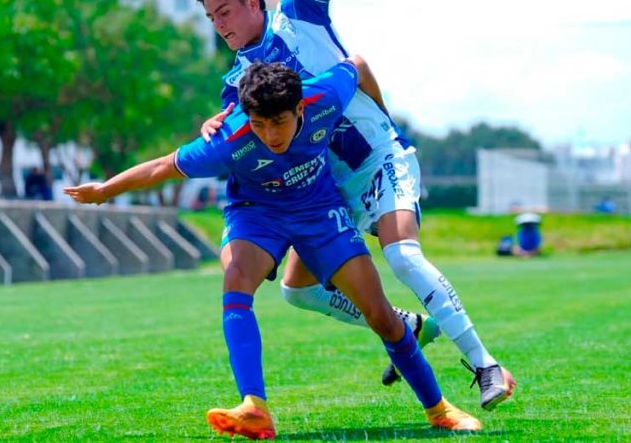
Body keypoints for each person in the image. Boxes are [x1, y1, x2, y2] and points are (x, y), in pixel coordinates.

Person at [191, 0, 515, 410]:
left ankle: (487, 364)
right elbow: (235, 131)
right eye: (211, 18)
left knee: (402, 254)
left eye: (224, 12)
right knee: (296, 290)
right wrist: (209, 126)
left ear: (253, 2)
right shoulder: (238, 81)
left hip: (381, 162)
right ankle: (408, 326)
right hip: (332, 188)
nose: (219, 26)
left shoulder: (299, 15)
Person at [65, 59, 481, 438]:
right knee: (237, 278)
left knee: (381, 315)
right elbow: (163, 166)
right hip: (257, 213)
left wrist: (384, 122)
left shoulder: (324, 95)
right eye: (260, 124)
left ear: (301, 109)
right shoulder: (230, 138)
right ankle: (255, 406)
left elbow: (357, 65)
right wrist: (105, 189)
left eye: (278, 122)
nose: (270, 135)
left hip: (320, 211)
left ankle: (439, 408)